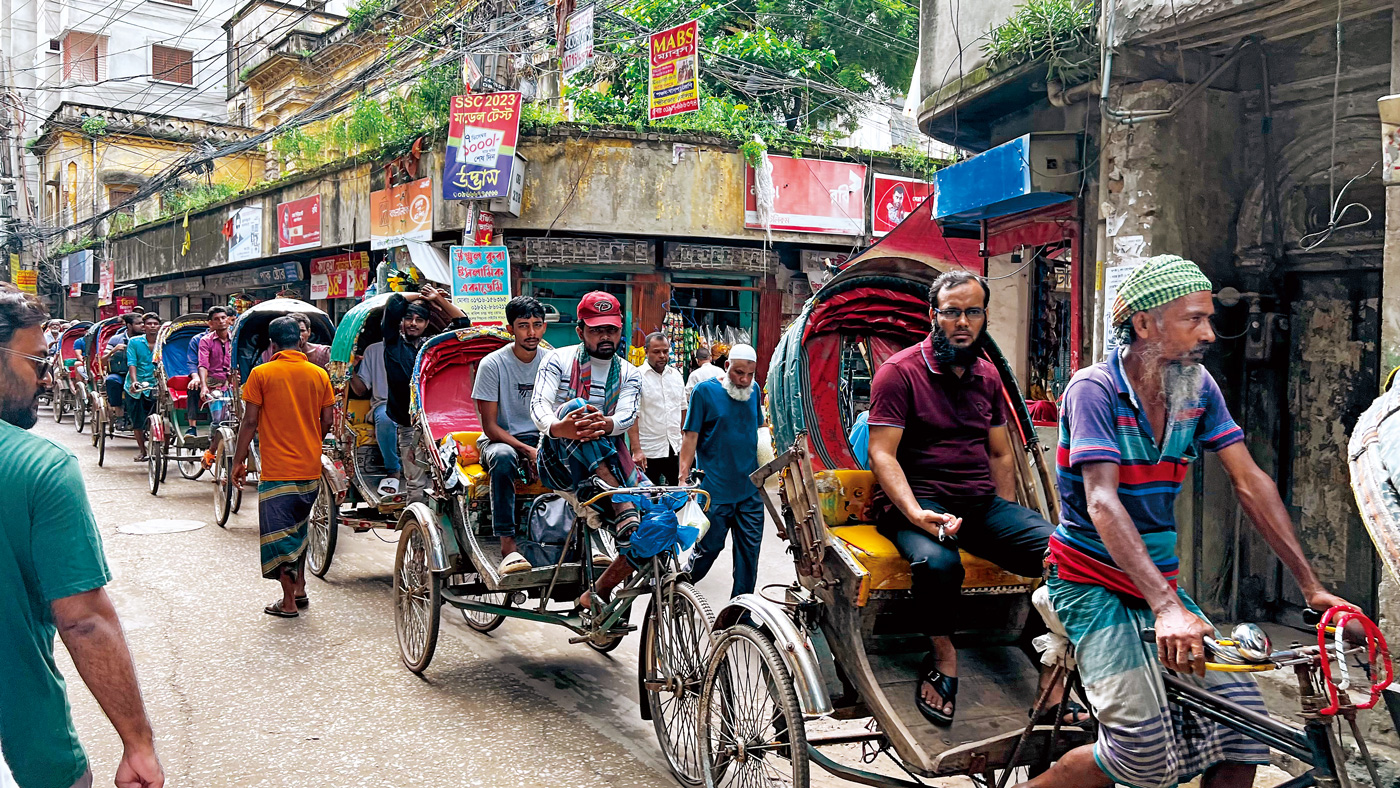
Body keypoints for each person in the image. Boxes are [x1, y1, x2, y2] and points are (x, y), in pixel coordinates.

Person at [1017, 255, 1355, 788]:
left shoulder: (1196, 387)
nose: (1209, 334)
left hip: (1158, 580)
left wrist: (1312, 589)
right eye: (1193, 319)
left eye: (1207, 319)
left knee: (1246, 733)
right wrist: (1167, 608)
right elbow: (1102, 501)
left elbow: (1250, 481)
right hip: (1089, 581)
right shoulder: (1093, 389)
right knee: (1142, 754)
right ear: (1144, 324)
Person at [867, 270, 1062, 727]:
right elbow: (882, 454)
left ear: (984, 316)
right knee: (939, 564)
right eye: (952, 312)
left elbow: (1000, 453)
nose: (962, 322)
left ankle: (1048, 672)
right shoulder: (899, 373)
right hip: (915, 505)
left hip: (979, 506)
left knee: (1063, 554)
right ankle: (943, 654)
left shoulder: (988, 376)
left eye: (972, 312)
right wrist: (915, 512)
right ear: (932, 315)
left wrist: (1003, 520)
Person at [0, 286, 165, 788]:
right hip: (27, 739)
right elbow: (84, 620)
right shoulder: (39, 468)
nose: (46, 377)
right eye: (36, 360)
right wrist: (138, 743)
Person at [530, 291, 641, 608]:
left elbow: (627, 416)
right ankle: (620, 500)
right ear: (580, 331)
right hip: (558, 461)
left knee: (659, 521)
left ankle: (598, 593)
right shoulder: (557, 360)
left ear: (620, 329)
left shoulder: (630, 373)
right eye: (596, 330)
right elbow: (539, 405)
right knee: (576, 407)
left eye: (611, 329)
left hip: (610, 459)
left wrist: (604, 424)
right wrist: (559, 426)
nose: (605, 336)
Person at [231, 316, 335, 618]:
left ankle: (288, 602)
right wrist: (311, 440)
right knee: (299, 530)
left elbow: (249, 421)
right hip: (309, 468)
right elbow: (328, 420)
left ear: (272, 343)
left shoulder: (261, 374)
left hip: (278, 470)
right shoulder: (318, 374)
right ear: (300, 340)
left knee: (280, 536)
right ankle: (300, 588)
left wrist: (238, 461)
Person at [351, 286, 469, 501]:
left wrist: (437, 299)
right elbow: (394, 303)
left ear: (426, 324)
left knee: (447, 482)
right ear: (401, 322)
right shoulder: (392, 343)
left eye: (419, 320)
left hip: (435, 424)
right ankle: (413, 516)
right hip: (408, 425)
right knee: (415, 482)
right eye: (409, 318)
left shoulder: (431, 346)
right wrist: (421, 296)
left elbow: (462, 323)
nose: (413, 323)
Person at [678, 343, 764, 599]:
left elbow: (759, 431)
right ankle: (679, 589)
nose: (744, 380)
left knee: (749, 555)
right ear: (726, 367)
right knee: (709, 548)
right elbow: (690, 437)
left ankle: (740, 611)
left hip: (750, 491)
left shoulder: (754, 391)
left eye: (750, 374)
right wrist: (683, 478)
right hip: (715, 491)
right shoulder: (704, 392)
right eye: (739, 373)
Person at [472, 296, 547, 574]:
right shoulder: (492, 364)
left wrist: (543, 447)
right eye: (524, 326)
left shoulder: (552, 362)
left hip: (541, 438)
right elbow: (490, 427)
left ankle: (574, 535)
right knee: (503, 458)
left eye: (537, 325)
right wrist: (527, 451)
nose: (531, 332)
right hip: (500, 440)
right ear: (510, 329)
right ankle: (507, 541)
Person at [633, 332, 686, 486]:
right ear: (646, 351)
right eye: (656, 352)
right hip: (648, 450)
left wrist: (684, 441)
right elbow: (633, 416)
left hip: (674, 447)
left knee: (679, 493)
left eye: (665, 351)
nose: (662, 356)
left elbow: (683, 409)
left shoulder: (676, 376)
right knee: (648, 495)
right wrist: (636, 450)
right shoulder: (637, 377)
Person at [198, 308, 234, 469]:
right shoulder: (206, 341)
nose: (221, 321)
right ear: (211, 323)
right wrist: (204, 386)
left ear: (228, 319)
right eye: (217, 319)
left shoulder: (236, 338)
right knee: (219, 420)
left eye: (223, 317)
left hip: (234, 383)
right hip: (214, 384)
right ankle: (211, 448)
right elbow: (203, 364)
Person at [125, 313, 161, 462]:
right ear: (144, 326)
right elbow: (132, 362)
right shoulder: (134, 342)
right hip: (136, 386)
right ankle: (142, 451)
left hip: (157, 384)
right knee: (138, 421)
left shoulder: (163, 342)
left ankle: (163, 449)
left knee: (164, 416)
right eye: (149, 324)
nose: (152, 326)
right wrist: (134, 382)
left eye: (155, 324)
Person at [260, 312, 329, 368]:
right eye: (294, 331)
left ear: (309, 332)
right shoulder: (270, 353)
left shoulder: (323, 353)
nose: (299, 335)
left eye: (302, 331)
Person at [103, 313, 137, 426]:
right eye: (138, 323)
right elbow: (103, 360)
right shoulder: (116, 339)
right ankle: (119, 415)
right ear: (129, 325)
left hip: (140, 372)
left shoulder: (146, 339)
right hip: (120, 373)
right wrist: (114, 351)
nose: (142, 326)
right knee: (112, 381)